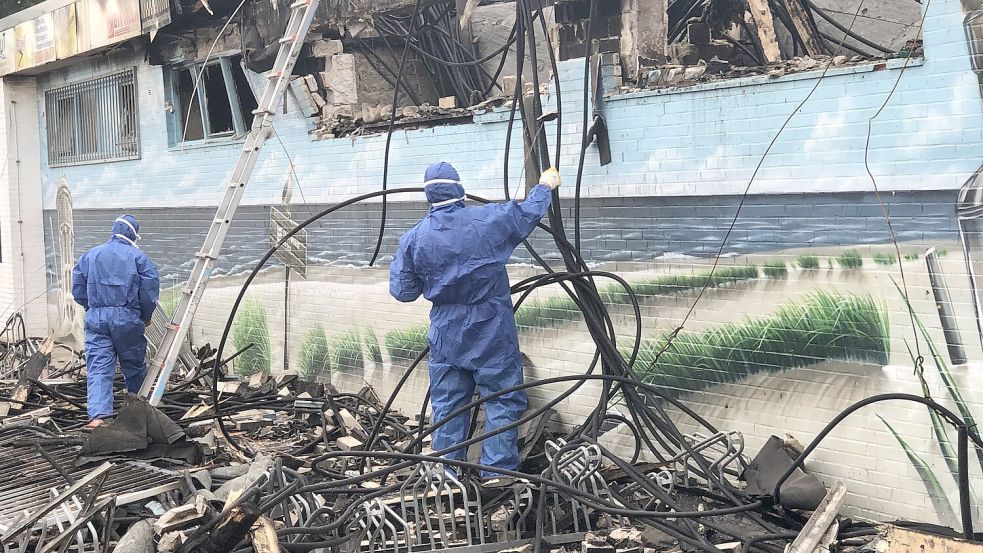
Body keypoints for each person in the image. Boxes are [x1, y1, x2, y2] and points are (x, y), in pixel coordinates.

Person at [389, 162, 561, 482]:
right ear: (459, 188)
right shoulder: (488, 219)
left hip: (446, 334)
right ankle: (496, 477)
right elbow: (527, 213)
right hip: (490, 329)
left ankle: (446, 480)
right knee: (502, 401)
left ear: (428, 194)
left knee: (449, 408)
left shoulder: (414, 239)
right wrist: (545, 185)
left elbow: (402, 292)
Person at [72, 215, 160, 430]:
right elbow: (149, 293)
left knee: (99, 367)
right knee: (133, 365)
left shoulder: (89, 256)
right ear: (134, 234)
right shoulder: (139, 258)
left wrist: (93, 308)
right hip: (127, 318)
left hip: (96, 317)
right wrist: (144, 315)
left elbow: (77, 289)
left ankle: (99, 417)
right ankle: (139, 412)